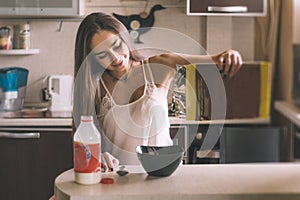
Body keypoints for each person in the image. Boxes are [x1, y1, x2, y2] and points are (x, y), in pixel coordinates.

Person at [73, 12, 243, 172]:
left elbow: (215, 60)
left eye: (117, 45)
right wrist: (99, 156)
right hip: (118, 178)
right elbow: (86, 143)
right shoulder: (94, 86)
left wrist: (230, 54)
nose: (116, 57)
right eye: (102, 54)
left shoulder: (159, 65)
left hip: (164, 174)